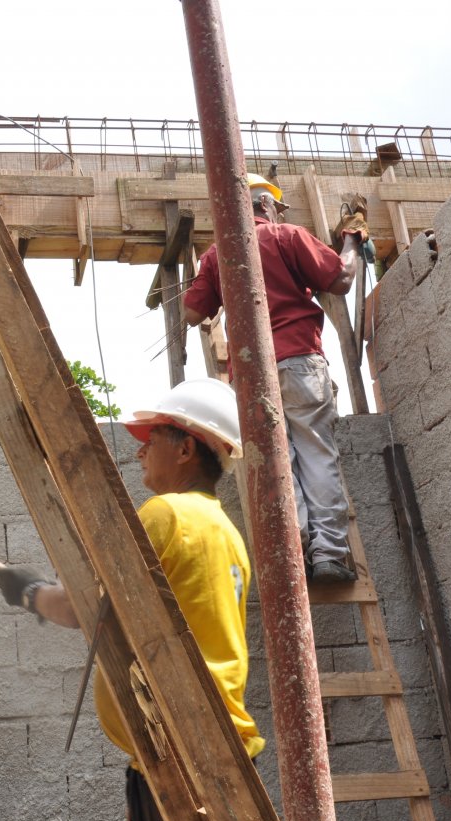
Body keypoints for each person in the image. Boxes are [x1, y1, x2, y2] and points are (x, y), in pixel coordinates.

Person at [0, 378, 262, 821]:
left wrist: (27, 590)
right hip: (206, 744)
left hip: (180, 749)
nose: (140, 454)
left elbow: (81, 609)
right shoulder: (225, 530)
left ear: (185, 450)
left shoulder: (166, 515)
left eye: (152, 442)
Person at [181, 174, 364, 583]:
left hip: (251, 377)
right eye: (276, 207)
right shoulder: (287, 235)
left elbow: (193, 314)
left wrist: (210, 279)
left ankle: (294, 550)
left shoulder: (216, 255)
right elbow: (341, 280)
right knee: (316, 454)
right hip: (300, 360)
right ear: (264, 205)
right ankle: (330, 556)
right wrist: (351, 241)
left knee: (280, 461)